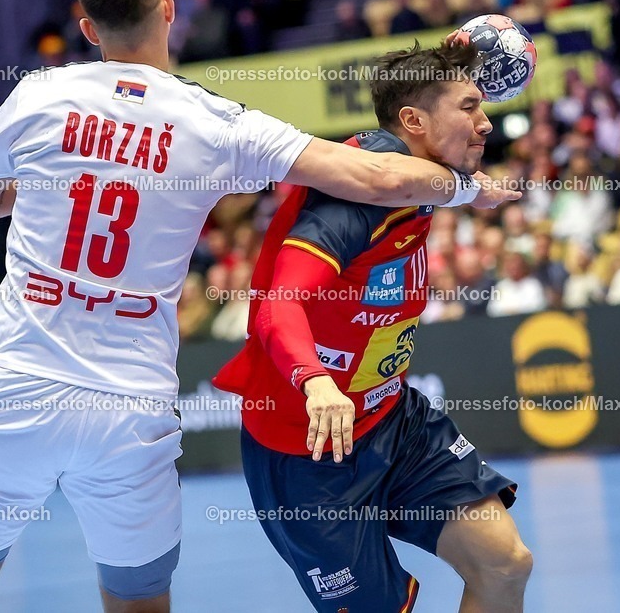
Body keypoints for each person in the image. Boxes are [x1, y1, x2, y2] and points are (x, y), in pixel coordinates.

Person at [0, 0, 520, 613]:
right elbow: (375, 176)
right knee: (139, 602)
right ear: (169, 10)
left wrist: (48, 182)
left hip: (17, 389)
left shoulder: (38, 96)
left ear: (88, 29)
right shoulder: (211, 122)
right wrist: (469, 189)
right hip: (130, 408)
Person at [214, 42, 531, 613]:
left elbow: (419, 112)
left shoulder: (425, 180)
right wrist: (315, 381)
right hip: (308, 448)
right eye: (469, 107)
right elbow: (276, 306)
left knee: (504, 563)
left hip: (392, 419)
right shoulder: (354, 199)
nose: (486, 123)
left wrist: (448, 56)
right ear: (413, 122)